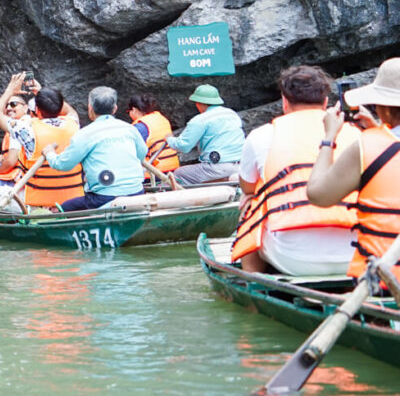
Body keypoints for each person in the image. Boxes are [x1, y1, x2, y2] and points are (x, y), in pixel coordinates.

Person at [231, 66, 359, 274]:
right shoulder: (356, 132)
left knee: (253, 198)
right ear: (326, 101)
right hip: (357, 252)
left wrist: (254, 193)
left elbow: (248, 186)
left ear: (284, 102)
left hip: (291, 257)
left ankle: (252, 281)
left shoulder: (261, 135)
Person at [309, 58, 400, 281]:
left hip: (385, 281)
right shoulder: (375, 140)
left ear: (384, 108)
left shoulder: (368, 145)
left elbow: (318, 195)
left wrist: (329, 138)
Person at [0, 73, 82, 208]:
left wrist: (10, 90)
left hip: (39, 202)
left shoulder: (27, 128)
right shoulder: (73, 123)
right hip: (72, 199)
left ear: (36, 109)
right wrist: (41, 92)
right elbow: (70, 111)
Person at [43, 86, 146, 211]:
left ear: (90, 108)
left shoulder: (85, 134)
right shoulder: (130, 129)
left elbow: (63, 164)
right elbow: (142, 154)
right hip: (137, 192)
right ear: (115, 109)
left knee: (63, 208)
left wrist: (50, 153)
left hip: (104, 197)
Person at [167, 84, 245, 184]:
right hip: (241, 165)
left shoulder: (200, 120)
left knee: (179, 173)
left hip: (218, 167)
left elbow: (184, 146)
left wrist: (169, 139)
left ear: (199, 103)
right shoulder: (232, 114)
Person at [126, 94, 180, 177]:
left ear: (134, 110)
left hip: (155, 173)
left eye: (128, 112)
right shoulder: (161, 118)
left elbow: (131, 152)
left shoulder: (141, 126)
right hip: (173, 169)